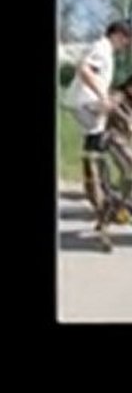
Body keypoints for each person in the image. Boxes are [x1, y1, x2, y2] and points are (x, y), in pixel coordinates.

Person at [66, 21, 132, 243]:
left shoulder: (108, 52)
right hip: (88, 107)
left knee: (104, 158)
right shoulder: (101, 48)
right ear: (117, 34)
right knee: (99, 161)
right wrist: (103, 98)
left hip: (93, 112)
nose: (128, 43)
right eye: (126, 38)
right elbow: (84, 69)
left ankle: (111, 206)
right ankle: (105, 208)